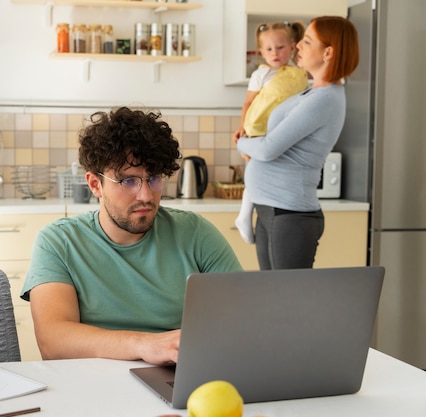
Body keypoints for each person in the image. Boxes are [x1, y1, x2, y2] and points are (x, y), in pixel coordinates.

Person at [21, 107, 242, 365]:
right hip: (92, 382)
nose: (146, 195)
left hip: (178, 377)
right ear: (95, 185)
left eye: (154, 179)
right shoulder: (58, 242)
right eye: (129, 181)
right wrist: (146, 345)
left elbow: (243, 315)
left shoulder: (195, 233)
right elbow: (53, 341)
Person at [235, 16, 359, 270]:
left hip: (290, 215)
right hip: (273, 210)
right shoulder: (312, 91)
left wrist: (241, 143)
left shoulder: (324, 99)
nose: (298, 46)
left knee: (289, 302)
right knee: (274, 298)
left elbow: (268, 149)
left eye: (307, 41)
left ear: (328, 52)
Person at [233, 21, 309, 244]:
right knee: (254, 172)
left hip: (282, 133)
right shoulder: (262, 74)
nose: (274, 53)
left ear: (293, 47)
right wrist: (243, 129)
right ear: (261, 52)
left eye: (280, 47)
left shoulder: (299, 75)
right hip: (258, 131)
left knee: (267, 175)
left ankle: (251, 214)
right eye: (269, 49)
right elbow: (248, 103)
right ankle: (245, 215)